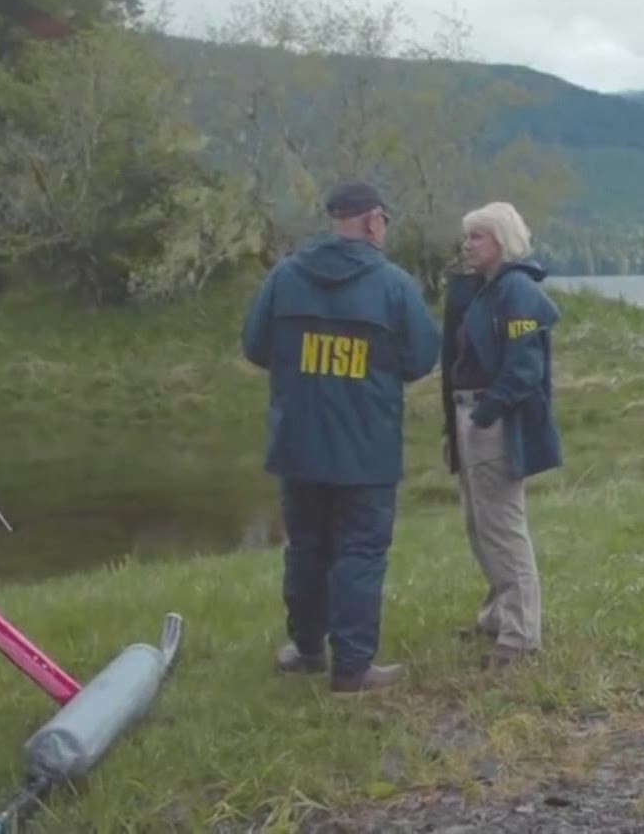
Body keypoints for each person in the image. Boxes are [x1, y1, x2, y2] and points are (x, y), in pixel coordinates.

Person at [240, 181, 441, 693]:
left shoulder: (285, 277)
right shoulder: (394, 286)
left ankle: (307, 648)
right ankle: (352, 667)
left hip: (298, 442)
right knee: (360, 551)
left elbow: (255, 347)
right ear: (373, 221)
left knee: (305, 546)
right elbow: (421, 359)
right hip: (366, 448)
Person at [440, 201, 562, 668]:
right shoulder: (485, 291)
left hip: (493, 417)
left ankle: (520, 634)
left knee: (503, 526)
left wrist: (487, 413)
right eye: (468, 237)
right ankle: (497, 615)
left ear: (502, 241)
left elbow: (524, 368)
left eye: (478, 237)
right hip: (469, 411)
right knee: (479, 523)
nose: (468, 246)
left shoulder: (517, 292)